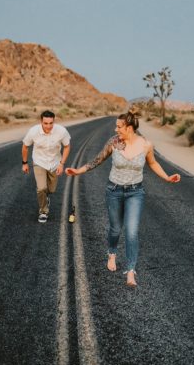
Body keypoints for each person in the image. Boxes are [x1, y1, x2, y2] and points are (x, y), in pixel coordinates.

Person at [65, 109, 180, 287]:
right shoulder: (114, 142)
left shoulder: (146, 145)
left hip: (136, 192)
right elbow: (98, 160)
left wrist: (167, 177)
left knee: (132, 231)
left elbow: (153, 163)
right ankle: (112, 252)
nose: (115, 130)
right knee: (115, 229)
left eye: (119, 126)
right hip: (114, 191)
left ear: (129, 127)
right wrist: (78, 170)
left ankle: (131, 271)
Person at [22, 110, 71, 223]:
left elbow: (67, 146)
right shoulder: (33, 131)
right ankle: (43, 211)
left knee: (51, 190)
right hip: (39, 162)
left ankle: (46, 197)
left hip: (55, 162)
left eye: (51, 123)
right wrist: (24, 163)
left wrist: (62, 164)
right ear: (41, 121)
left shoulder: (61, 131)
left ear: (54, 121)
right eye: (45, 123)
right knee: (41, 188)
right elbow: (25, 146)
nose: (48, 126)